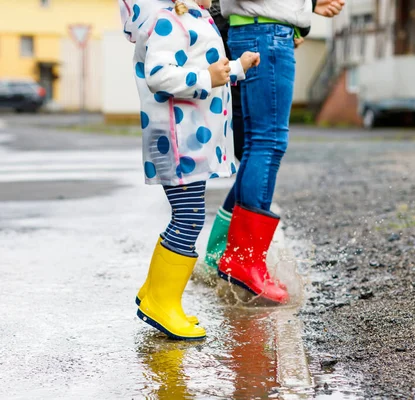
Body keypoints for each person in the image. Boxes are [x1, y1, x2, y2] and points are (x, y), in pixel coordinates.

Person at [121, 0, 259, 340]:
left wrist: (237, 67)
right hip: (176, 136)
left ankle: (155, 292)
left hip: (190, 138)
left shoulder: (194, 18)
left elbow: (209, 68)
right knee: (188, 217)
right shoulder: (168, 21)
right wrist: (205, 77)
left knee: (187, 214)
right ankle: (161, 302)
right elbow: (159, 75)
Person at [202, 0, 345, 304]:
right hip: (265, 32)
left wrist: (301, 13)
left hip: (261, 31)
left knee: (259, 142)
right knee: (267, 142)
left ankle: (237, 259)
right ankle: (243, 262)